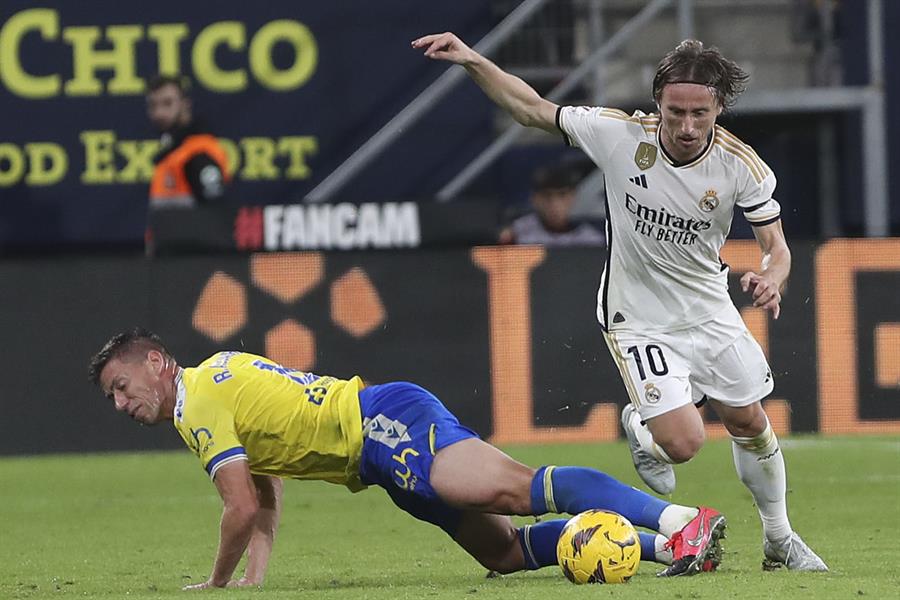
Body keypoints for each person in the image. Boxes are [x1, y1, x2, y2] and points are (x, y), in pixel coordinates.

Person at [412, 33, 826, 572]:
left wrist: (773, 276)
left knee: (749, 420)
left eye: (699, 113)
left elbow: (778, 248)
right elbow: (531, 108)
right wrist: (471, 60)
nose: (685, 125)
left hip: (709, 309)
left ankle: (779, 540)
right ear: (658, 103)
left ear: (718, 108)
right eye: (674, 111)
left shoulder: (740, 166)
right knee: (683, 445)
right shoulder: (618, 135)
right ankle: (642, 423)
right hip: (638, 317)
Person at [88, 328, 727, 589]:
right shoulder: (211, 381)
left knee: (516, 489)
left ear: (155, 362)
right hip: (373, 457)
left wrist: (218, 584)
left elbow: (239, 505)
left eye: (120, 387)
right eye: (110, 397)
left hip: (382, 423)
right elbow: (265, 479)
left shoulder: (195, 405)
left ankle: (679, 520)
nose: (120, 403)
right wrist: (256, 576)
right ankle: (667, 550)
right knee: (504, 554)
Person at [499, 161, 605, 246]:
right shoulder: (517, 233)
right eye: (547, 196)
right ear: (535, 199)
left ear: (572, 197)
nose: (555, 204)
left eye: (562, 195)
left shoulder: (590, 240)